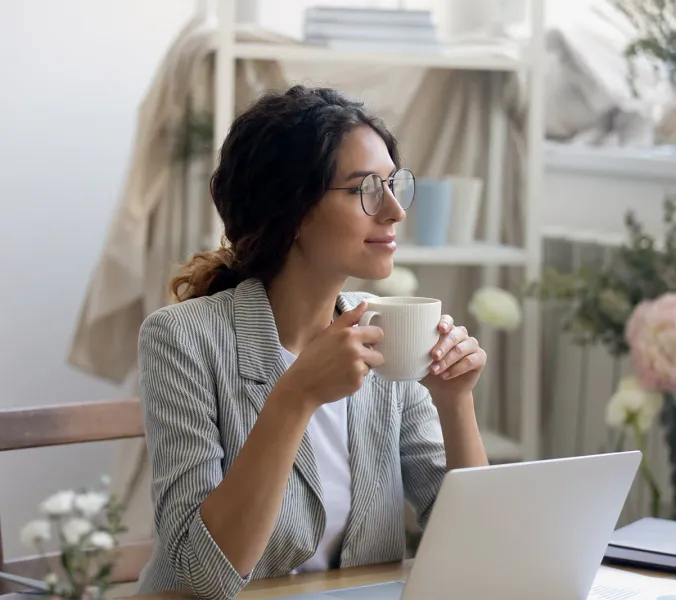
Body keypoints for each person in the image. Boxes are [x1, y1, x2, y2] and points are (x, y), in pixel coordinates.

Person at [136, 85, 488, 600]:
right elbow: (203, 577)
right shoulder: (182, 340)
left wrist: (455, 403)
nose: (394, 211)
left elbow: (475, 548)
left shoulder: (385, 333)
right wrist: (296, 396)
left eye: (393, 185)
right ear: (295, 209)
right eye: (365, 188)